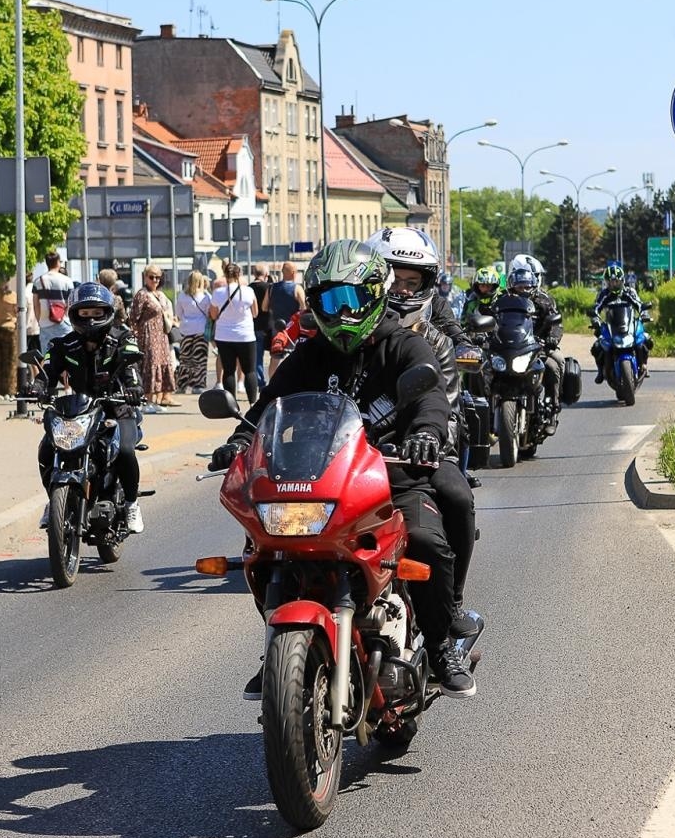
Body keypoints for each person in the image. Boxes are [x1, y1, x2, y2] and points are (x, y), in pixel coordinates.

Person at [209, 239, 476, 697]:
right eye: (332, 300)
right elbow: (270, 403)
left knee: (436, 528)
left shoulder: (405, 347)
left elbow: (432, 399)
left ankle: (443, 638)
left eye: (353, 298)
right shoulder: (312, 355)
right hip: (322, 480)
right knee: (266, 547)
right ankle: (277, 647)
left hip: (392, 476)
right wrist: (240, 437)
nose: (343, 311)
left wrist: (427, 433)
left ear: (376, 294)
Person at [364, 228, 481, 637]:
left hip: (419, 454)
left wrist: (427, 439)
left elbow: (441, 406)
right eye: (392, 278)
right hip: (354, 461)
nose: (400, 288)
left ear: (427, 285)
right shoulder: (352, 337)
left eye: (411, 281)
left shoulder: (435, 341)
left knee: (457, 495)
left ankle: (453, 602)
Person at [42, 282, 147, 534]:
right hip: (79, 410)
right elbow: (48, 368)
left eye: (96, 313)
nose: (90, 319)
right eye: (84, 313)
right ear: (74, 314)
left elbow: (131, 365)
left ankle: (131, 504)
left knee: (124, 451)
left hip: (117, 408)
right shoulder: (64, 344)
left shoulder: (123, 337)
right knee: (47, 449)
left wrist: (134, 389)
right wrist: (37, 385)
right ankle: (53, 502)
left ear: (107, 312)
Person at [507, 261, 564, 433]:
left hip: (539, 347)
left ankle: (552, 410)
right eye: (519, 286)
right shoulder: (505, 299)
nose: (522, 289)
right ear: (512, 285)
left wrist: (552, 338)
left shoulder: (543, 300)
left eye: (526, 286)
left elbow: (556, 323)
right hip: (512, 347)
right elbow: (496, 319)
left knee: (554, 366)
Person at [589, 262, 648, 383]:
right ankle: (601, 371)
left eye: (616, 281)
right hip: (611, 326)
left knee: (646, 339)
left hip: (628, 324)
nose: (613, 285)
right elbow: (596, 308)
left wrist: (644, 313)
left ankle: (643, 364)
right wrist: (595, 318)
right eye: (610, 282)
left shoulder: (630, 292)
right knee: (596, 347)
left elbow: (639, 304)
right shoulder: (603, 294)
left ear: (622, 281)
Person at [209, 260, 259, 404]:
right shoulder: (248, 291)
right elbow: (255, 313)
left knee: (228, 370)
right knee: (249, 370)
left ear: (225, 274)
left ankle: (231, 404)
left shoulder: (218, 292)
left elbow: (213, 315)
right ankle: (252, 402)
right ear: (239, 274)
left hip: (224, 336)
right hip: (246, 336)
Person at [130, 266, 178, 409]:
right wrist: (136, 336)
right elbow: (133, 317)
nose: (155, 280)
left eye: (157, 277)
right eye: (151, 277)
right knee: (150, 365)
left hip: (161, 335)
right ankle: (147, 400)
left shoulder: (159, 294)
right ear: (145, 277)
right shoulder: (142, 295)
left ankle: (158, 398)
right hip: (148, 334)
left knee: (162, 363)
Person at [173, 271, 212, 392]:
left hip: (185, 330)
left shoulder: (182, 296)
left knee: (185, 359)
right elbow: (208, 314)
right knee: (199, 358)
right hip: (201, 330)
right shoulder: (206, 297)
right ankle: (198, 385)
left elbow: (178, 314)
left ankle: (182, 385)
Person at [264, 261, 306, 374]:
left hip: (276, 328)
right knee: (294, 357)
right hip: (293, 328)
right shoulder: (297, 288)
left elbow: (264, 307)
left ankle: (272, 384)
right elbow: (303, 309)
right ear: (293, 273)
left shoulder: (271, 288)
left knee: (275, 357)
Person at [34, 251, 75, 350]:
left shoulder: (38, 281)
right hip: (63, 322)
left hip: (45, 324)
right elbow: (70, 302)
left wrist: (40, 321)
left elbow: (36, 304)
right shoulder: (67, 281)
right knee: (66, 355)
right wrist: (66, 316)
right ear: (58, 263)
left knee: (47, 357)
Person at [249, 263, 272, 389]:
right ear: (266, 274)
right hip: (268, 325)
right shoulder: (269, 287)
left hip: (253, 325)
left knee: (257, 357)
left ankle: (260, 381)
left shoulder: (248, 288)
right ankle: (271, 381)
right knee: (276, 356)